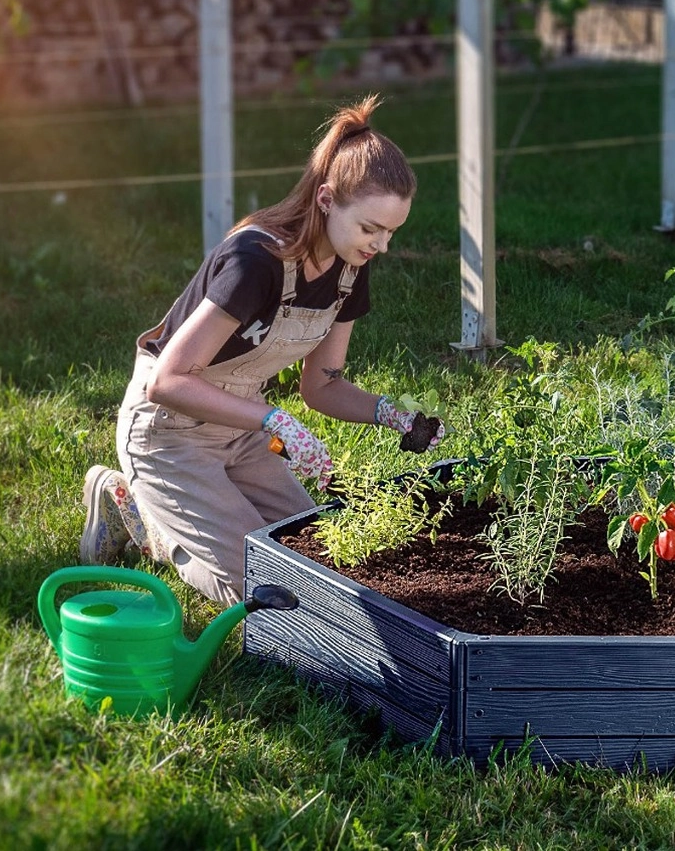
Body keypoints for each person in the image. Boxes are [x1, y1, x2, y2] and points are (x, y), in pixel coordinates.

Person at [79, 95, 443, 606]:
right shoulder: (256, 260)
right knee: (264, 590)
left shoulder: (349, 270)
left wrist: (391, 415)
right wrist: (275, 420)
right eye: (369, 228)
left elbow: (323, 386)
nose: (379, 247)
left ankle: (162, 517)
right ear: (325, 200)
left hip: (242, 433)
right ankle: (145, 523)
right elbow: (169, 380)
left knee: (316, 562)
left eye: (390, 233)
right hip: (167, 431)